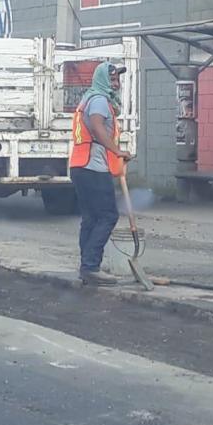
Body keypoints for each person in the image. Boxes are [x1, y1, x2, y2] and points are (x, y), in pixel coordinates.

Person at [69, 62, 132, 286]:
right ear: (103, 80)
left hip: (81, 166)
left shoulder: (90, 98)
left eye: (117, 80)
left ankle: (87, 265)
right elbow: (96, 127)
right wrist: (117, 150)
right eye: (112, 79)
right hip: (92, 167)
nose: (116, 84)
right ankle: (91, 266)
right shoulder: (99, 100)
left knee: (91, 218)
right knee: (108, 216)